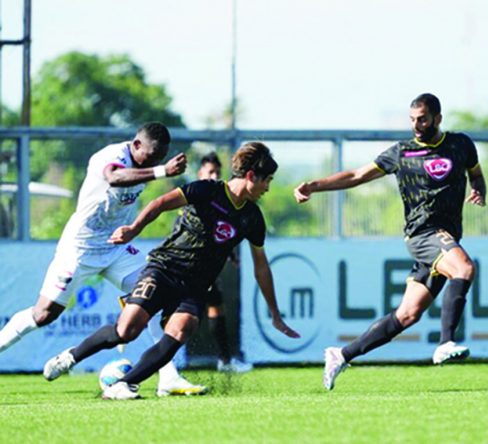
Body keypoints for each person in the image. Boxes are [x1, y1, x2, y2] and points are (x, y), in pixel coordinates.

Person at [44, 142, 300, 399]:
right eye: (267, 180)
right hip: (164, 269)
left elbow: (262, 268)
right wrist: (133, 229)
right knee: (126, 331)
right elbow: (160, 203)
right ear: (250, 176)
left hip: (196, 286)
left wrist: (275, 314)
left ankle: (124, 384)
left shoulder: (253, 218)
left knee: (180, 330)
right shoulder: (206, 190)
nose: (268, 187)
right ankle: (70, 357)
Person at [294, 93, 487, 390]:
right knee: (464, 269)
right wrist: (314, 186)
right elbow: (358, 175)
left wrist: (479, 189)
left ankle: (341, 354)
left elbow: (475, 173)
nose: (416, 125)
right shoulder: (402, 152)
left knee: (407, 314)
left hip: (443, 238)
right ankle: (446, 342)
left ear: (438, 118)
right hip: (423, 233)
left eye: (422, 119)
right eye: (412, 119)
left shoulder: (460, 144)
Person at [0, 122, 205, 396]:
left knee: (158, 296)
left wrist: (159, 172)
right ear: (136, 145)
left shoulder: (145, 163)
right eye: (152, 155)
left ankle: (168, 377)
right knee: (44, 314)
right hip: (80, 247)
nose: (156, 160)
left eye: (160, 157)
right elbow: (114, 177)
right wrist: (161, 171)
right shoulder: (111, 156)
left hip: (116, 245)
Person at [194, 152, 252, 373]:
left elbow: (221, 234)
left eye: (218, 172)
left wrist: (231, 255)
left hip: (208, 268)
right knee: (185, 315)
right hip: (191, 266)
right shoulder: (195, 196)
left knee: (215, 307)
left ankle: (224, 360)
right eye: (210, 172)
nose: (215, 175)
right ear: (200, 174)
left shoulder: (219, 197)